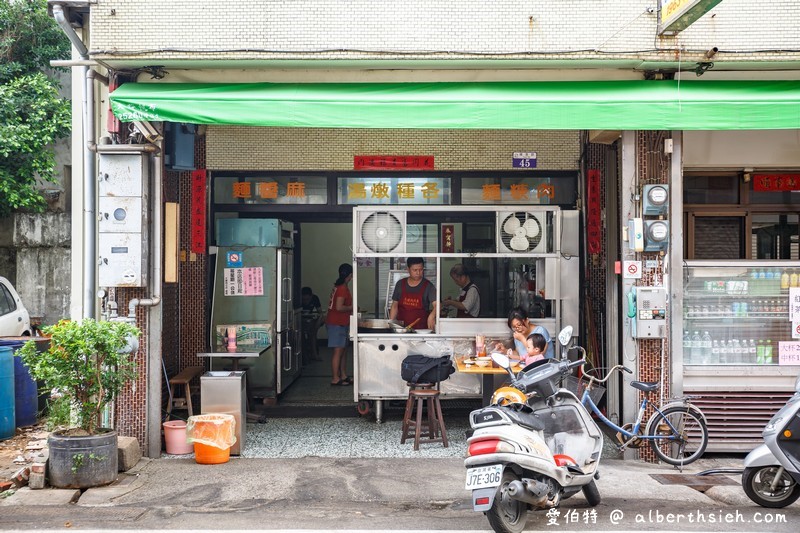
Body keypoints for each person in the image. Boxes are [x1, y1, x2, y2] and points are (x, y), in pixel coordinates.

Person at [388, 257, 437, 330]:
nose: (418, 273)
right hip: (402, 328)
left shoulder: (428, 286)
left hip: (421, 329)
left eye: (420, 270)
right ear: (408, 269)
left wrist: (432, 316)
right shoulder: (400, 284)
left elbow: (437, 305)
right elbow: (395, 305)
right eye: (415, 270)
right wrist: (391, 324)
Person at [325, 264, 353, 386]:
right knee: (338, 351)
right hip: (337, 323)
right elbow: (339, 307)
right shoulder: (342, 288)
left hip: (341, 322)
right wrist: (352, 307)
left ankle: (343, 375)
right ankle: (335, 378)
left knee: (343, 350)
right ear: (350, 276)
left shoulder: (339, 286)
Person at [300, 287, 324, 361]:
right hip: (300, 320)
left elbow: (320, 313)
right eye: (303, 300)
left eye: (307, 299)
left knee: (313, 334)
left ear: (311, 296)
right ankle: (305, 355)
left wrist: (317, 324)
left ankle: (314, 354)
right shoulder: (298, 299)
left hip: (310, 319)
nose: (305, 302)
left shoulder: (315, 298)